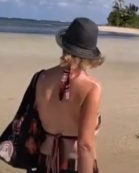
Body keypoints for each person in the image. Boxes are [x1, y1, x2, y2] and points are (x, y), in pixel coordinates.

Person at [33, 17, 103, 173]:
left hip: (44, 162)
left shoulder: (40, 78)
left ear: (64, 45)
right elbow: (85, 145)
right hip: (75, 164)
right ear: (89, 54)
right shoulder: (91, 87)